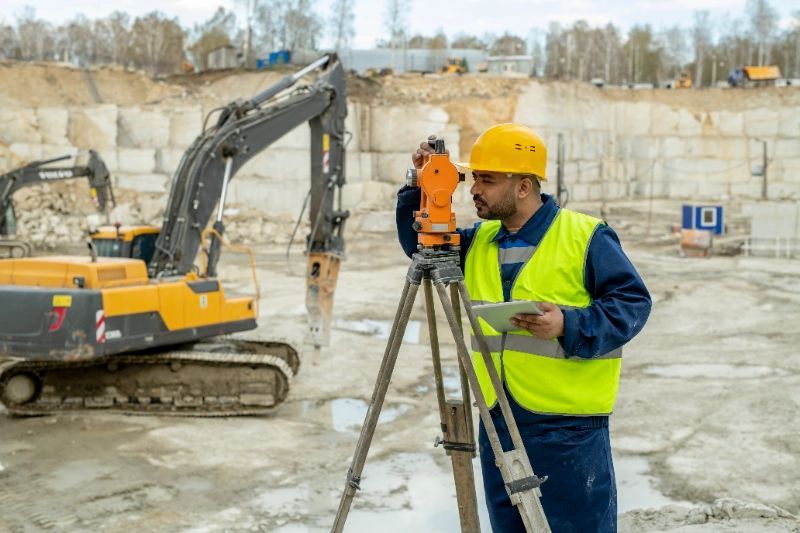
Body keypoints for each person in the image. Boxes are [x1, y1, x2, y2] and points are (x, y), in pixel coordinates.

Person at [395, 123, 652, 532]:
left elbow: (632, 304)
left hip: (566, 426)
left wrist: (568, 324)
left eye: (488, 180)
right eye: (474, 177)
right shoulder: (479, 240)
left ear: (524, 187)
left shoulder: (585, 236)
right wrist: (418, 182)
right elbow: (420, 244)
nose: (474, 188)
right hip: (498, 417)